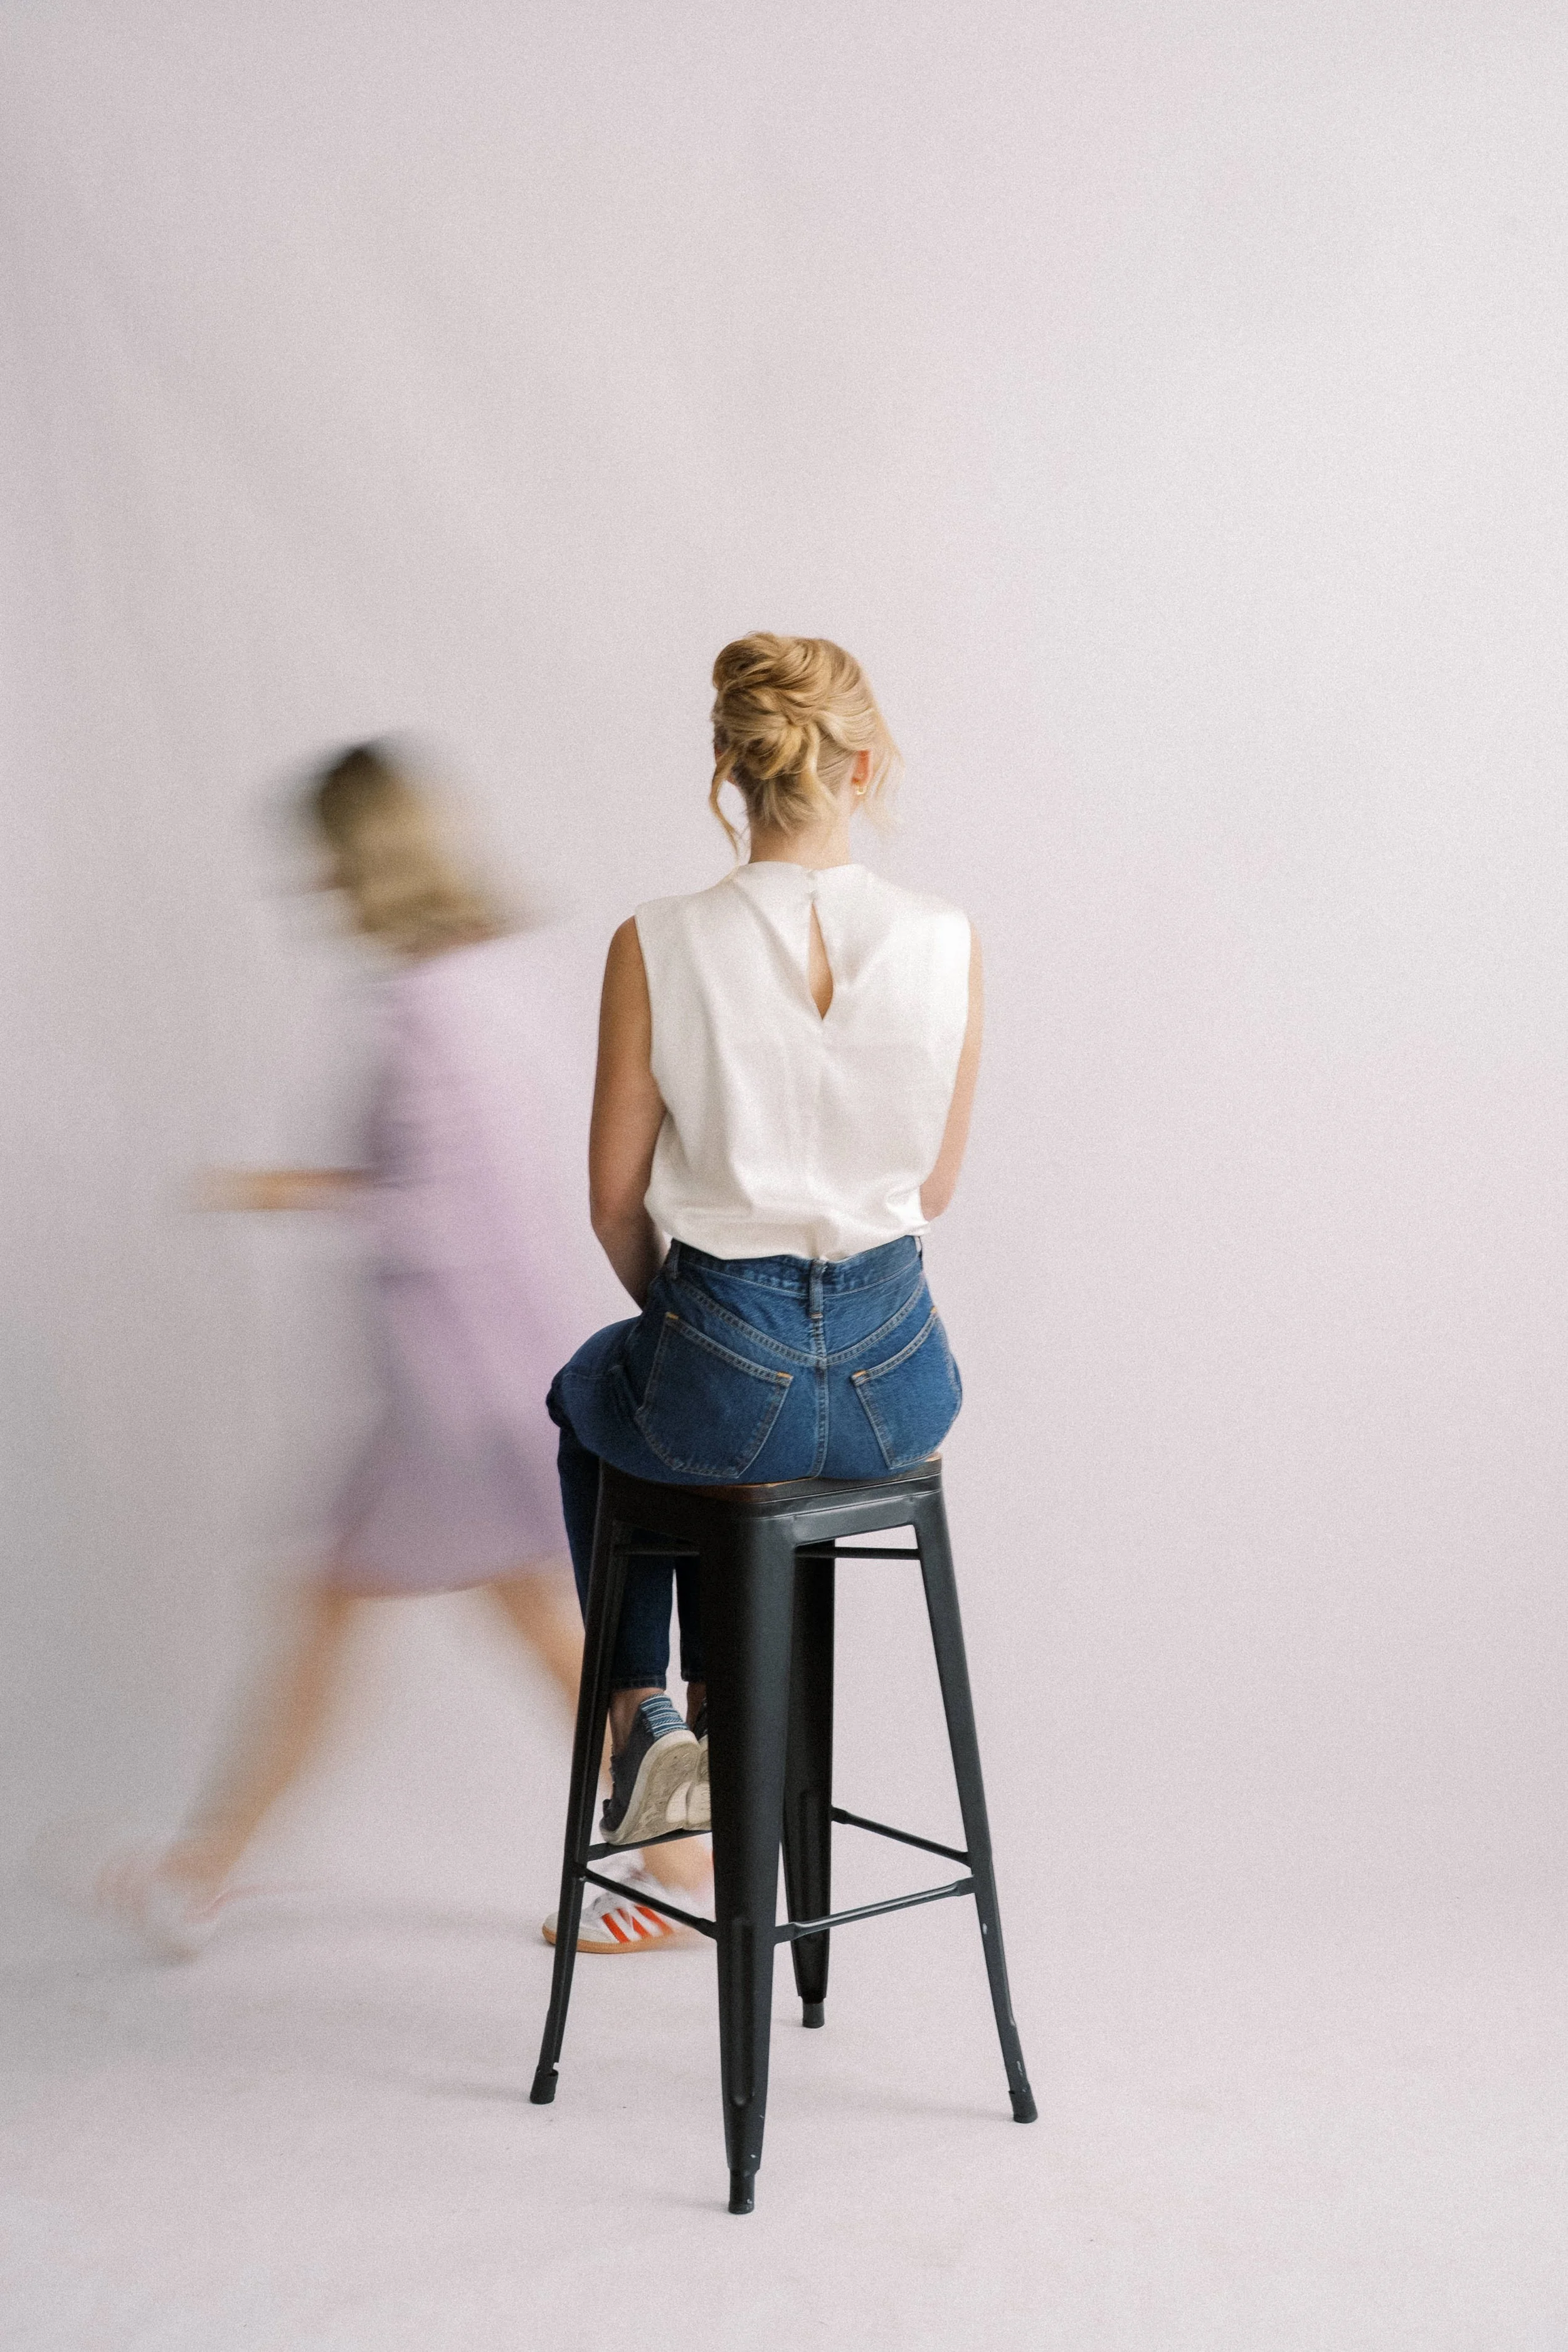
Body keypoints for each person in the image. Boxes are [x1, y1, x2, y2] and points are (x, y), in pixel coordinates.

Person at [97, 744, 705, 1959]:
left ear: (358, 860)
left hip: (453, 1395)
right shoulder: (484, 980)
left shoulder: (430, 1003)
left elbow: (448, 1208)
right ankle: (210, 1866)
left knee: (419, 1617)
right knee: (482, 1620)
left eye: (325, 861)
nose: (315, 886)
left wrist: (292, 1190)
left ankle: (205, 1870)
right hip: (471, 1387)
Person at [542, 633, 982, 1924]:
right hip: (900, 1384)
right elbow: (933, 1191)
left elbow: (611, 1202)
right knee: (683, 1415)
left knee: (595, 1405)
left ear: (731, 770)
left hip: (721, 1362)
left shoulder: (655, 940)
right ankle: (724, 1735)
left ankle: (653, 1724)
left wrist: (699, 1340)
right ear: (859, 766)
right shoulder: (947, 939)